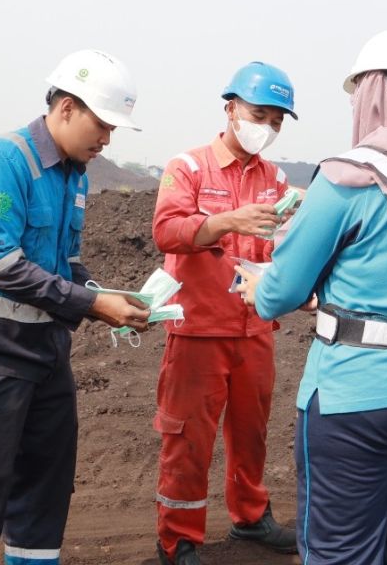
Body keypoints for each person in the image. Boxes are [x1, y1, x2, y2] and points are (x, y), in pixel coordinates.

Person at [234, 27, 387, 564]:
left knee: (339, 551)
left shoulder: (347, 176)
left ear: (370, 94)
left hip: (363, 393)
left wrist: (260, 285)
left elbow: (279, 294)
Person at [0, 50, 153, 565]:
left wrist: (108, 293)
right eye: (103, 124)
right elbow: (0, 266)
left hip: (45, 361)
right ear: (67, 107)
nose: (107, 139)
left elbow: (65, 262)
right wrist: (92, 304)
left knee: (45, 491)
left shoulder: (75, 175)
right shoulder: (4, 162)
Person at [150, 62, 299, 565]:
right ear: (231, 108)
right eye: (260, 114)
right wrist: (224, 221)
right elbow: (166, 230)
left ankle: (251, 518)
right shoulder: (188, 167)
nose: (268, 127)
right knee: (189, 437)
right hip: (199, 329)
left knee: (251, 432)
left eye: (277, 120)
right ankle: (179, 538)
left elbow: (279, 246)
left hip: (255, 327)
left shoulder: (274, 177)